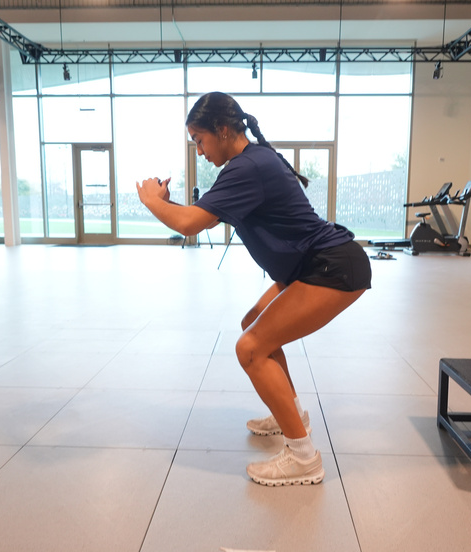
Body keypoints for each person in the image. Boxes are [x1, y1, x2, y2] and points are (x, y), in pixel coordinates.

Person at [136, 92, 372, 486]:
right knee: (254, 324)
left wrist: (149, 201)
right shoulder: (250, 163)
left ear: (223, 130)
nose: (198, 151)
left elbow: (189, 226)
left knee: (250, 347)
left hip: (330, 268)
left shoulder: (246, 168)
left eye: (199, 140)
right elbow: (204, 218)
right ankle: (290, 414)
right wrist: (169, 202)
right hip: (310, 266)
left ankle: (303, 458)